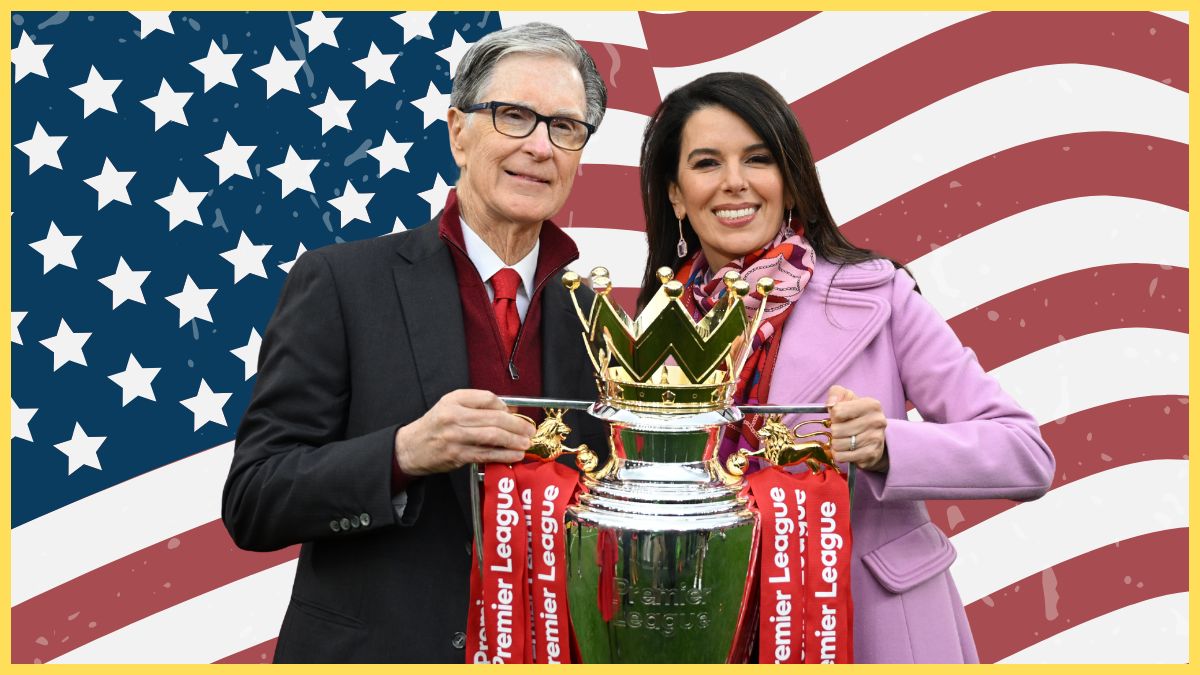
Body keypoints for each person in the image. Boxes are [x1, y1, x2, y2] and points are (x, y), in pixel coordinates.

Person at [222, 23, 609, 663]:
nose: (540, 146)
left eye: (565, 127)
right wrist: (403, 453)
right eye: (514, 116)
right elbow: (254, 499)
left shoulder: (597, 316)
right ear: (458, 130)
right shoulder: (341, 282)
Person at [636, 72, 1054, 664]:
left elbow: (1026, 454)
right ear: (676, 193)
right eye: (706, 163)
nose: (734, 183)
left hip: (873, 630)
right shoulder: (647, 331)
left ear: (791, 180)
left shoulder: (880, 296)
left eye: (758, 159)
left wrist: (889, 448)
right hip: (713, 633)